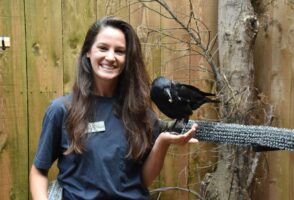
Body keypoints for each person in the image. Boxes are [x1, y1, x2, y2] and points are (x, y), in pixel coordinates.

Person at [29, 16, 198, 200]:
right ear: (88, 52)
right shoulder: (61, 110)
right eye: (103, 48)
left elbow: (141, 181)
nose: (110, 57)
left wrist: (163, 142)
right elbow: (39, 171)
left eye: (119, 51)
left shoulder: (142, 114)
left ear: (127, 59)